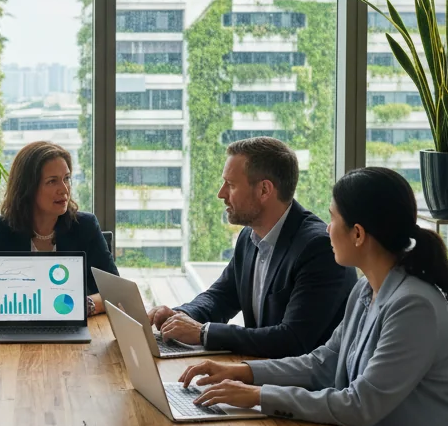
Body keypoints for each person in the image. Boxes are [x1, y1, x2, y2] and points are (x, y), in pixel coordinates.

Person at [183, 167, 448, 426]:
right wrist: (243, 372)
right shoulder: (367, 289)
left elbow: (359, 405)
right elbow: (322, 364)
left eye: (332, 218)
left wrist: (258, 396)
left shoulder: (414, 306)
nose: (326, 228)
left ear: (358, 234)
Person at [147, 137, 356, 358]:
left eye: (231, 185)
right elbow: (221, 297)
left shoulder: (319, 248)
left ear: (265, 190)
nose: (221, 194)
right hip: (262, 376)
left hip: (302, 387)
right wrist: (178, 316)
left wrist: (203, 333)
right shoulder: (249, 235)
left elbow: (292, 340)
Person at [0, 141, 118, 316]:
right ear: (28, 188)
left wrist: (84, 305)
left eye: (66, 178)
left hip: (72, 325)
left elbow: (116, 292)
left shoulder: (85, 227)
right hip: (13, 327)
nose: (64, 189)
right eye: (52, 181)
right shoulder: (0, 230)